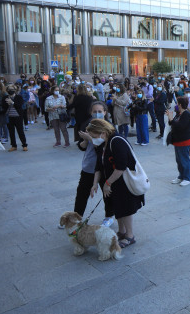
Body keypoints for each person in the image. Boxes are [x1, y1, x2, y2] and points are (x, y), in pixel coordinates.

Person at [88, 119, 145, 249]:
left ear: (102, 132)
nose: (93, 138)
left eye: (94, 136)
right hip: (114, 181)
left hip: (122, 181)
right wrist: (95, 183)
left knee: (125, 208)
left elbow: (121, 167)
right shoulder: (104, 143)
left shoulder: (117, 141)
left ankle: (130, 236)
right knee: (118, 207)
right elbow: (99, 165)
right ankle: (121, 232)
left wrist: (107, 183)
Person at [62, 101, 115, 228]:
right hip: (89, 165)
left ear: (105, 112)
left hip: (104, 167)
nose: (97, 114)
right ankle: (76, 217)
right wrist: (85, 140)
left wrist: (91, 139)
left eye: (100, 111)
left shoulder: (109, 127)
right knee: (81, 193)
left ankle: (109, 216)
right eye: (95, 111)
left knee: (107, 192)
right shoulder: (87, 125)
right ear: (91, 112)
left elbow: (105, 146)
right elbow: (82, 146)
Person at [168, 97, 190, 186]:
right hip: (177, 140)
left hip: (184, 140)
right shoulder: (179, 114)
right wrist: (170, 118)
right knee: (179, 160)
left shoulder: (186, 114)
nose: (176, 105)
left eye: (177, 103)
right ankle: (181, 176)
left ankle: (187, 178)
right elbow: (173, 124)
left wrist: (171, 120)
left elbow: (181, 126)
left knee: (184, 159)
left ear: (180, 104)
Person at [4, 84, 28, 152]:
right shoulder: (5, 97)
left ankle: (24, 145)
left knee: (20, 131)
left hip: (18, 117)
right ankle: (13, 145)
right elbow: (3, 107)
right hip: (9, 117)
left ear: (15, 90)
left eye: (12, 89)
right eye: (9, 89)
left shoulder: (18, 97)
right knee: (11, 132)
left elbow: (19, 106)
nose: (10, 91)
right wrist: (7, 104)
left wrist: (12, 103)